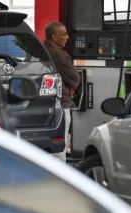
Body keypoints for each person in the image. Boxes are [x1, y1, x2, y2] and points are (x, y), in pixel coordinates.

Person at [44, 22, 80, 162]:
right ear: (54, 37)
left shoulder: (39, 50)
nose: (68, 37)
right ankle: (59, 179)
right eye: (64, 34)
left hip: (42, 105)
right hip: (61, 106)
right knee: (59, 146)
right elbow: (75, 80)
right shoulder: (60, 55)